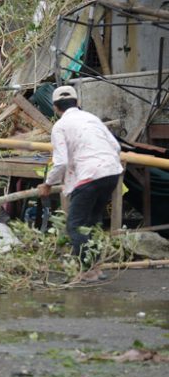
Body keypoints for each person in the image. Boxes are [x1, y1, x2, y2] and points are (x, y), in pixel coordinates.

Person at [38, 85, 123, 283]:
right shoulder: (92, 119)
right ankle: (96, 268)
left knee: (76, 225)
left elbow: (61, 162)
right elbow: (115, 146)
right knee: (92, 222)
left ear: (55, 108)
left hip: (89, 176)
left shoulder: (60, 126)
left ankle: (88, 271)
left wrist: (48, 183)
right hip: (112, 172)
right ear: (78, 103)